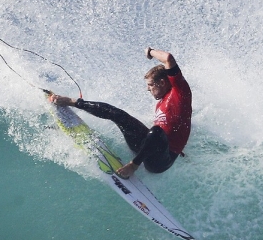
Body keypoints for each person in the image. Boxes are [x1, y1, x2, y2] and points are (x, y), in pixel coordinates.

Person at [49, 47, 192, 179]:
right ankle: (73, 102)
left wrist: (150, 52)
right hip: (151, 149)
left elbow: (168, 58)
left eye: (150, 85)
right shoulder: (161, 103)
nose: (148, 89)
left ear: (161, 82)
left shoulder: (180, 93)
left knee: (156, 131)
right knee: (119, 115)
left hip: (160, 163)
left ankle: (133, 166)